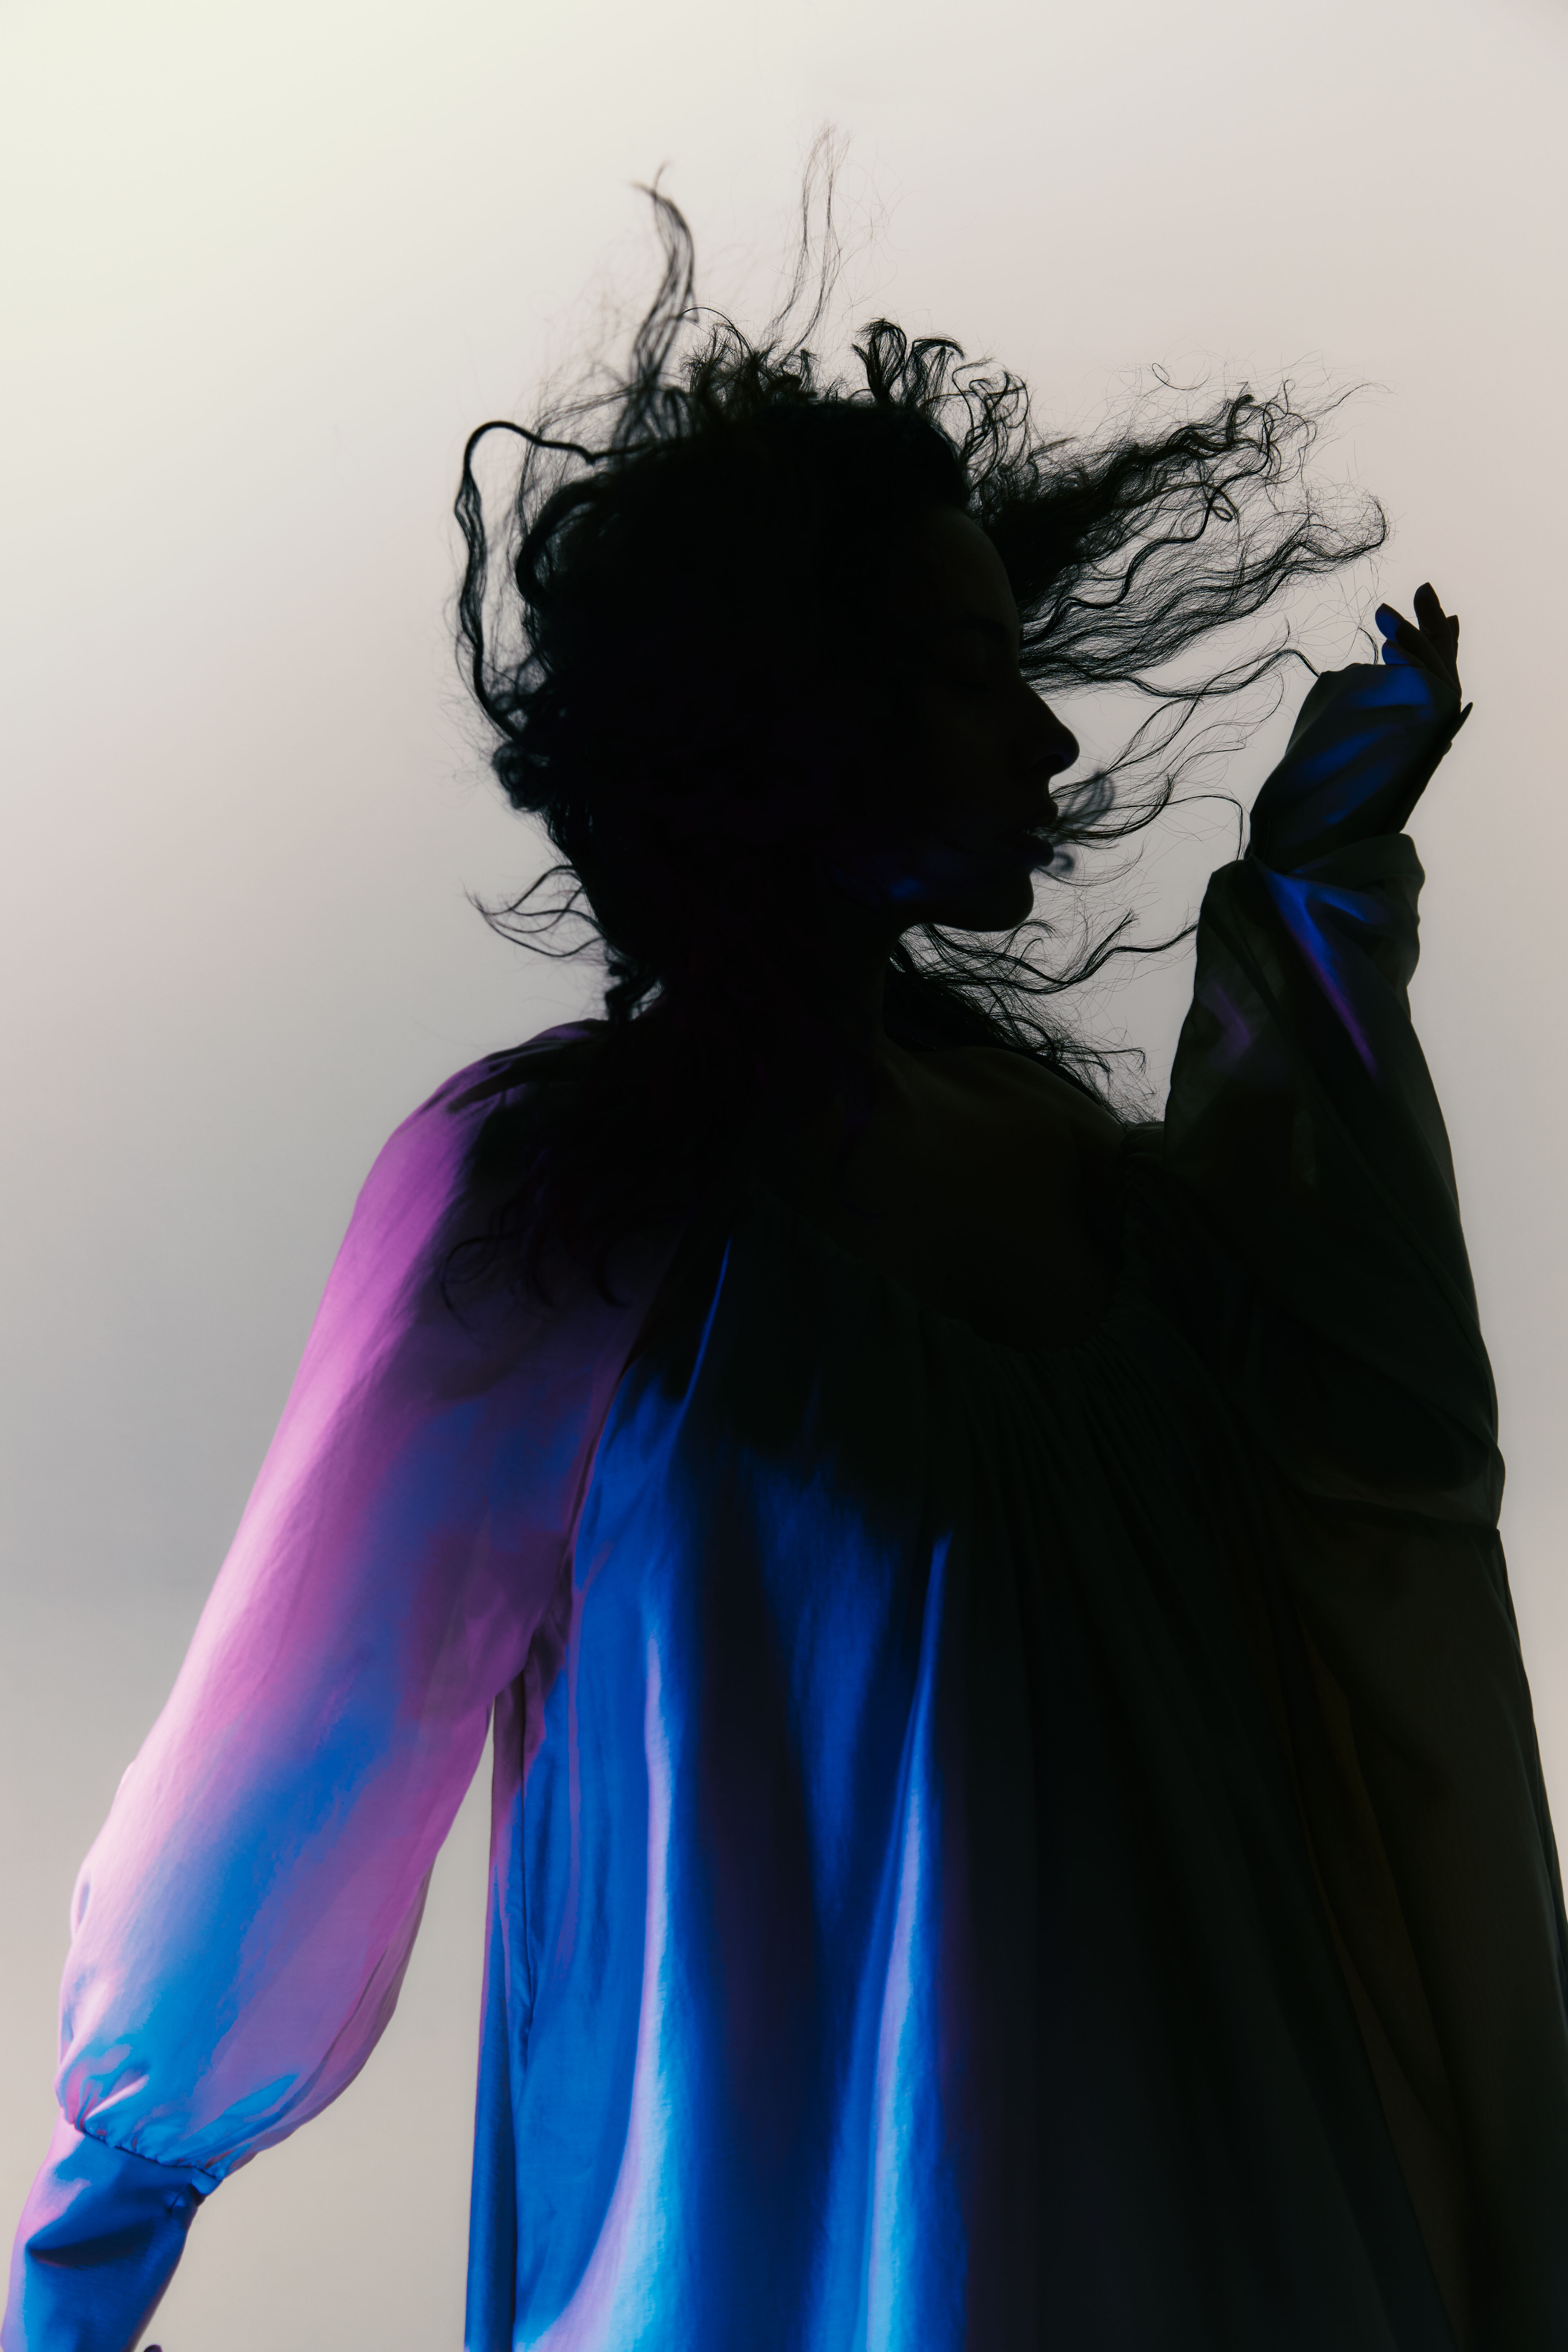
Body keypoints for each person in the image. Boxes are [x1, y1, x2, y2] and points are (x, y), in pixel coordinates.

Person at [6, 177, 1568, 2352]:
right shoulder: (556, 1205)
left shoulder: (1095, 1188)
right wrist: (91, 2246)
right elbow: (285, 1766)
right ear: (789, 720)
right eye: (964, 675)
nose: (1044, 741)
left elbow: (1376, 1485)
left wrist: (1322, 905)